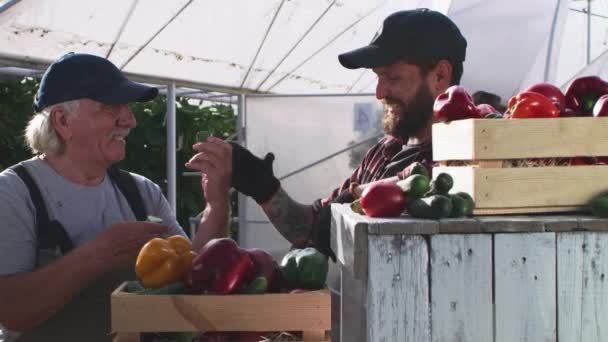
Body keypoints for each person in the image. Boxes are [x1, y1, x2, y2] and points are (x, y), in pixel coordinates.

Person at [199, 8, 468, 258]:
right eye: (377, 77)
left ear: (440, 76)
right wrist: (263, 187)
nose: (379, 93)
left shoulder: (470, 161)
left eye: (392, 78)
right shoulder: (383, 153)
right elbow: (315, 228)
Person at [0, 53, 231, 341]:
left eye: (127, 108)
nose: (130, 120)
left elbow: (192, 277)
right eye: (111, 107)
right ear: (62, 120)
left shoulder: (142, 192)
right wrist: (98, 254)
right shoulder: (14, 192)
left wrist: (217, 205)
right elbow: (11, 309)